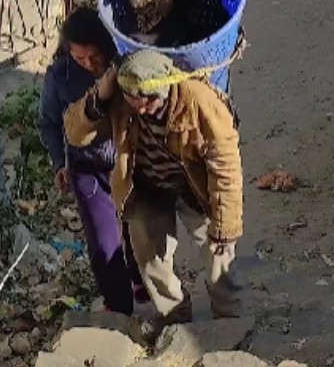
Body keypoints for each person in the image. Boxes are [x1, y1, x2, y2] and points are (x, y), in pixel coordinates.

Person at [63, 48, 245, 341]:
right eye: (134, 101)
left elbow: (226, 164)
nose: (141, 109)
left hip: (194, 187)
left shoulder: (199, 101)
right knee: (151, 260)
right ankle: (175, 320)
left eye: (148, 102)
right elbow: (75, 132)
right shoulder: (122, 98)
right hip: (147, 186)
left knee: (218, 254)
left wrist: (226, 224)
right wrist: (99, 98)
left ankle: (230, 320)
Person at [37, 7, 148, 316]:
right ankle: (119, 308)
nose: (89, 64)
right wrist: (61, 161)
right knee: (103, 243)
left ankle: (141, 281)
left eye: (94, 57)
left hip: (126, 158)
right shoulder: (60, 76)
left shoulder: (121, 66)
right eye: (80, 59)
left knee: (136, 229)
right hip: (85, 167)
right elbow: (48, 123)